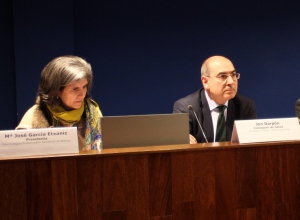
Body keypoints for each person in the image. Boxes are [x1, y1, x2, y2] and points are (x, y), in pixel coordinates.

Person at [16, 55, 102, 150]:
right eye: (75, 89)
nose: (82, 94)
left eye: (84, 87)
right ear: (56, 91)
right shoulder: (35, 115)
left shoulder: (92, 112)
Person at [173, 55, 257, 144]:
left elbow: (251, 142)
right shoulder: (187, 107)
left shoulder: (245, 105)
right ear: (205, 82)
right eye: (223, 76)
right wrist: (181, 140)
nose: (231, 81)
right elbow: (179, 142)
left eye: (233, 75)